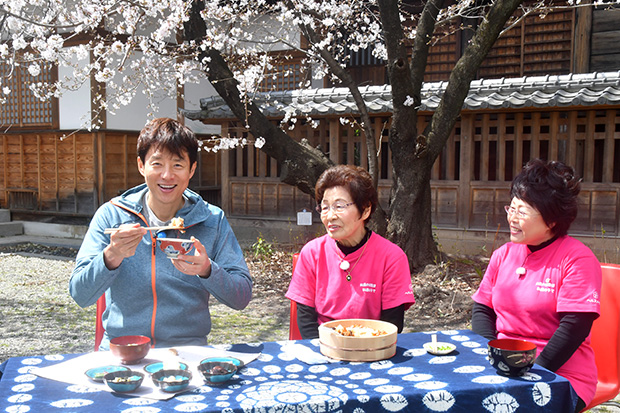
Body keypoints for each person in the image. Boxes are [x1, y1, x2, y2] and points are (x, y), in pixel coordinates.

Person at [70, 117, 252, 350]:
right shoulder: (111, 216)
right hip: (123, 350)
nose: (167, 175)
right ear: (141, 166)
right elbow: (79, 294)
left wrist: (208, 270)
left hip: (187, 352)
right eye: (157, 164)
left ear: (191, 169)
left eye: (177, 165)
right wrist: (111, 256)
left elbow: (242, 297)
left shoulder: (211, 220)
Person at [471, 158, 601, 412]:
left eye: (523, 211)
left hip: (559, 374)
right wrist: (488, 357)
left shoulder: (577, 258)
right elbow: (482, 309)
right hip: (501, 367)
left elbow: (575, 326)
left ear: (552, 221)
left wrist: (533, 374)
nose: (512, 218)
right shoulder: (504, 254)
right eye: (512, 208)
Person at [285, 164, 415, 339]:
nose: (330, 216)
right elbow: (305, 319)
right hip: (323, 347)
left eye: (339, 206)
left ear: (365, 210)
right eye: (325, 207)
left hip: (372, 347)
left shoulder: (392, 257)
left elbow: (392, 324)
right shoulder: (312, 253)